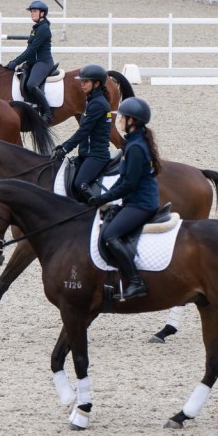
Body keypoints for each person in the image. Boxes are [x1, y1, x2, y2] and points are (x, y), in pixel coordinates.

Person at [87, 97, 162, 301]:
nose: (118, 120)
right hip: (134, 201)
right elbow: (124, 179)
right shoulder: (134, 142)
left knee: (110, 235)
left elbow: (129, 184)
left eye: (121, 117)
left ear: (132, 121)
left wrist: (104, 198)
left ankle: (136, 282)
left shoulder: (136, 148)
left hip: (141, 204)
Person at [52, 64, 111, 199]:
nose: (82, 84)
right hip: (86, 153)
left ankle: (98, 207)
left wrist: (66, 148)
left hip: (96, 155)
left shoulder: (98, 104)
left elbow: (84, 131)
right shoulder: (91, 101)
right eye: (82, 81)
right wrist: (62, 146)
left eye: (86, 81)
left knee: (80, 184)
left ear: (96, 83)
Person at [4, 0, 54, 124]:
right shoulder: (36, 28)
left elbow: (32, 50)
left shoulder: (43, 29)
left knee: (32, 85)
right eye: (31, 11)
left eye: (34, 11)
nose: (32, 13)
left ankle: (47, 114)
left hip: (43, 62)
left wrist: (15, 62)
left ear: (42, 13)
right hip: (34, 62)